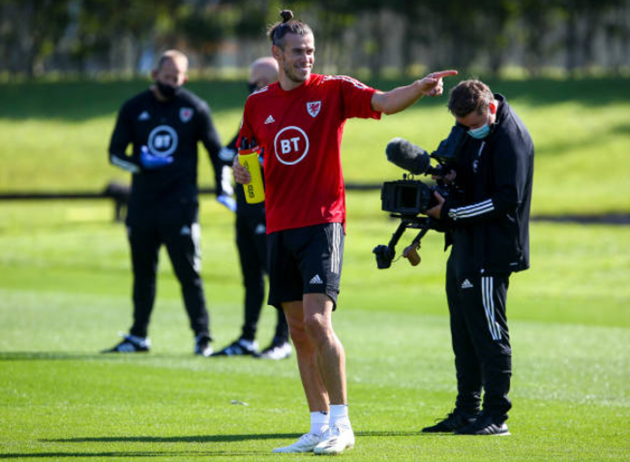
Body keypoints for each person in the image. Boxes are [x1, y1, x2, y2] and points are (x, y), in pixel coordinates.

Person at [232, 10, 457, 455]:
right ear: (277, 54)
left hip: (322, 221)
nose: (306, 58)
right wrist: (239, 169)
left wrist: (419, 86)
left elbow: (384, 102)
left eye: (311, 51)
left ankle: (342, 424)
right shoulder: (258, 103)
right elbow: (245, 151)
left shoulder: (333, 90)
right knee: (297, 331)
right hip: (279, 225)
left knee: (318, 321)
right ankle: (317, 425)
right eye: (297, 52)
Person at [422, 79, 534, 435]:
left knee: (489, 332)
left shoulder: (510, 138)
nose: (468, 130)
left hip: (493, 250)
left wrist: (451, 212)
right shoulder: (468, 130)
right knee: (464, 333)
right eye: (462, 124)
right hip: (465, 244)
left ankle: (496, 416)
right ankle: (467, 411)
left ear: (488, 108)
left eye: (473, 123)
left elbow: (506, 199)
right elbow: (468, 177)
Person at [104, 49, 229, 357]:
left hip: (181, 207)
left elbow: (216, 151)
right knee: (143, 274)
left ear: (185, 78)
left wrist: (222, 189)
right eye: (167, 77)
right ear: (154, 75)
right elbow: (115, 152)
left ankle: (203, 337)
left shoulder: (194, 108)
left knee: (189, 274)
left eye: (178, 78)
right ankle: (138, 336)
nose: (172, 82)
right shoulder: (134, 108)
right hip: (142, 206)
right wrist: (141, 163)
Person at [212, 57, 292, 360]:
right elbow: (225, 152)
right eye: (252, 82)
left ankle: (281, 340)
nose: (255, 87)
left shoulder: (284, 117)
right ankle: (247, 337)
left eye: (262, 82)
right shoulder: (254, 116)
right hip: (245, 209)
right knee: (250, 278)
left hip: (272, 212)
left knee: (279, 278)